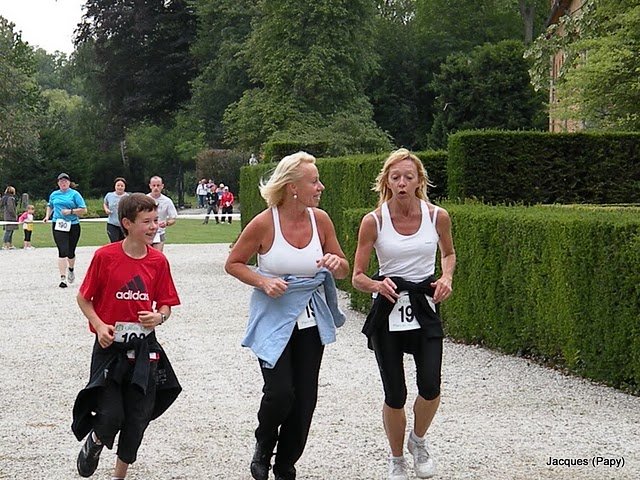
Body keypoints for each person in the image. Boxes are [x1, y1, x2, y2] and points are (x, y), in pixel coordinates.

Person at [224, 151, 349, 480]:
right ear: (293, 187)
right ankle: (264, 443)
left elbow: (343, 267)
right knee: (280, 393)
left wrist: (336, 264)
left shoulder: (321, 220)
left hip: (310, 320)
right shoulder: (265, 223)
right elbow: (233, 263)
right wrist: (263, 281)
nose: (320, 187)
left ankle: (285, 465)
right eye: (314, 181)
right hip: (273, 319)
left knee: (305, 399)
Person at [351, 148, 456, 480]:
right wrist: (376, 285)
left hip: (423, 304)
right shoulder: (374, 221)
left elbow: (449, 254)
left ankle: (418, 441)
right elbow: (357, 276)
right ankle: (397, 458)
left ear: (419, 180)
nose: (401, 183)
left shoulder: (438, 216)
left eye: (408, 177)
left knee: (431, 385)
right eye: (395, 177)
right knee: (395, 394)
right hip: (389, 307)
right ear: (386, 181)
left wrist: (447, 278)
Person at [72, 193, 182, 480]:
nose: (154, 227)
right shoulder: (105, 257)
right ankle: (96, 440)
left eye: (155, 220)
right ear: (127, 223)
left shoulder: (158, 261)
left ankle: (118, 476)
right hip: (109, 348)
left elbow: (166, 305)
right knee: (111, 415)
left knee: (137, 419)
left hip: (144, 350)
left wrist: (159, 317)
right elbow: (83, 299)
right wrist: (99, 325)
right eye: (146, 221)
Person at [43, 173, 88, 288]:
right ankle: (62, 278)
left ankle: (71, 269)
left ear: (69, 183)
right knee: (62, 250)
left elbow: (84, 210)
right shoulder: (54, 194)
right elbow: (50, 205)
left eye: (65, 181)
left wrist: (71, 211)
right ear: (58, 183)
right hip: (58, 224)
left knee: (70, 252)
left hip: (73, 224)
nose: (63, 183)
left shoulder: (75, 194)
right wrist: (47, 216)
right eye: (61, 181)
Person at [147, 176, 177, 252]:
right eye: (154, 185)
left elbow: (173, 218)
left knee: (157, 254)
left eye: (158, 185)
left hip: (160, 232)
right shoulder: (145, 199)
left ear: (162, 186)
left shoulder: (167, 201)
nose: (156, 188)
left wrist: (166, 223)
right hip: (146, 232)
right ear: (150, 186)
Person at [103, 177, 129, 243]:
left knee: (123, 242)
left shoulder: (127, 197)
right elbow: (105, 203)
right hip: (112, 223)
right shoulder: (109, 195)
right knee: (114, 241)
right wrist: (106, 209)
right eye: (118, 185)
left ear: (124, 187)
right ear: (115, 186)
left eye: (122, 186)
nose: (120, 187)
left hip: (123, 224)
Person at [1, 185, 18, 250]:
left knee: (10, 231)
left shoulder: (5, 198)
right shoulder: (10, 199)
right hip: (10, 217)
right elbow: (11, 208)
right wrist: (14, 215)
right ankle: (5, 244)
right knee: (8, 231)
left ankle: (9, 244)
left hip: (7, 216)